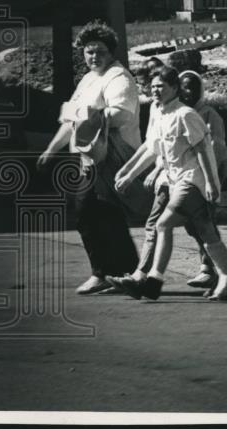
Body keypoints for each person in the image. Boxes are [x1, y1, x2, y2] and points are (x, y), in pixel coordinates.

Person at [112, 67, 227, 301]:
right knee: (204, 229)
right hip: (175, 181)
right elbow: (152, 149)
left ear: (174, 88)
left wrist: (212, 184)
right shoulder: (160, 114)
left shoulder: (186, 114)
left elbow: (204, 150)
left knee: (163, 224)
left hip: (193, 181)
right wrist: (128, 173)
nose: (155, 91)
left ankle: (153, 280)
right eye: (152, 87)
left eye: (161, 86)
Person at [37, 20, 144, 295]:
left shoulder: (119, 77)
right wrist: (51, 149)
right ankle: (123, 273)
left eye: (100, 51)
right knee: (100, 215)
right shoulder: (88, 79)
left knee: (93, 213)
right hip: (89, 156)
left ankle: (106, 273)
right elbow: (69, 119)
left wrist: (91, 112)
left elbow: (122, 114)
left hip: (111, 156)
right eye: (89, 51)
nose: (93, 56)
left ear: (111, 53)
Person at [177, 70, 227, 290]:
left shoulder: (209, 114)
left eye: (192, 87)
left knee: (205, 223)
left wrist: (211, 180)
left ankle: (210, 269)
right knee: (192, 225)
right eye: (183, 86)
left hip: (205, 178)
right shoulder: (178, 113)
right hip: (185, 178)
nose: (187, 92)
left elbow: (218, 148)